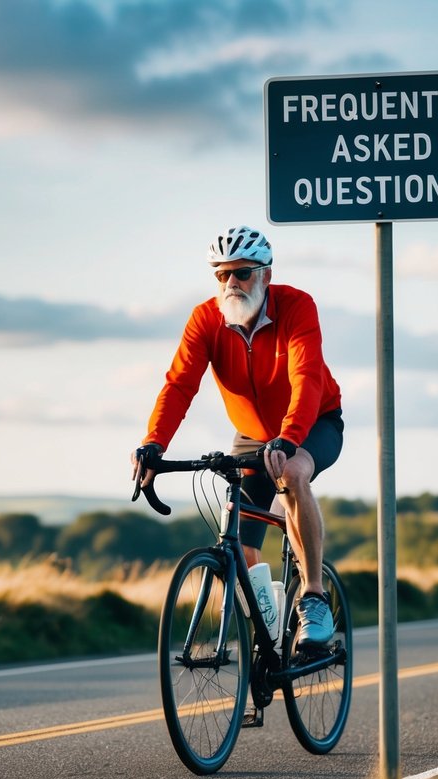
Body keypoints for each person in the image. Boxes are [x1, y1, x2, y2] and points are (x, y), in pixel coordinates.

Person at [131, 224, 344, 652]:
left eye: (242, 273)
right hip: (251, 435)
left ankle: (314, 596)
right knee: (243, 547)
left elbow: (305, 379)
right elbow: (179, 385)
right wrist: (155, 444)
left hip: (312, 423)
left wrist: (289, 439)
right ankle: (266, 644)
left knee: (294, 476)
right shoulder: (207, 319)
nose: (231, 283)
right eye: (221, 274)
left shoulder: (297, 306)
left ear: (265, 274)